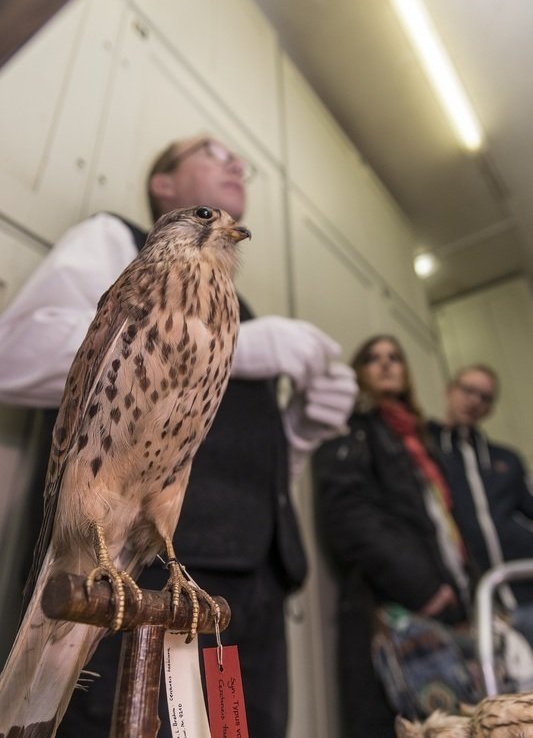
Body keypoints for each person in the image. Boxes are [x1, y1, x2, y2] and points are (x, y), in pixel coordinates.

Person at [0, 133, 357, 738]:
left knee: (240, 728)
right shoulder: (113, 241)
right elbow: (16, 355)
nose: (237, 165)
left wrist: (303, 428)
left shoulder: (230, 296)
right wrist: (228, 344)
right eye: (215, 156)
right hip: (117, 574)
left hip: (235, 587)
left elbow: (248, 454)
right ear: (164, 187)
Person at [312, 335, 472, 738]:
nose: (385, 364)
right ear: (359, 372)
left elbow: (444, 524)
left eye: (394, 357)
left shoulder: (421, 442)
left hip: (449, 607)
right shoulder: (352, 428)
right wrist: (425, 588)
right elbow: (349, 517)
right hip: (392, 609)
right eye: (372, 358)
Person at [428, 364, 533, 646]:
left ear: (490, 409)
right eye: (468, 391)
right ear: (450, 391)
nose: (475, 401)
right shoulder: (428, 450)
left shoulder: (507, 459)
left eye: (485, 397)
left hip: (526, 594)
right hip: (474, 607)